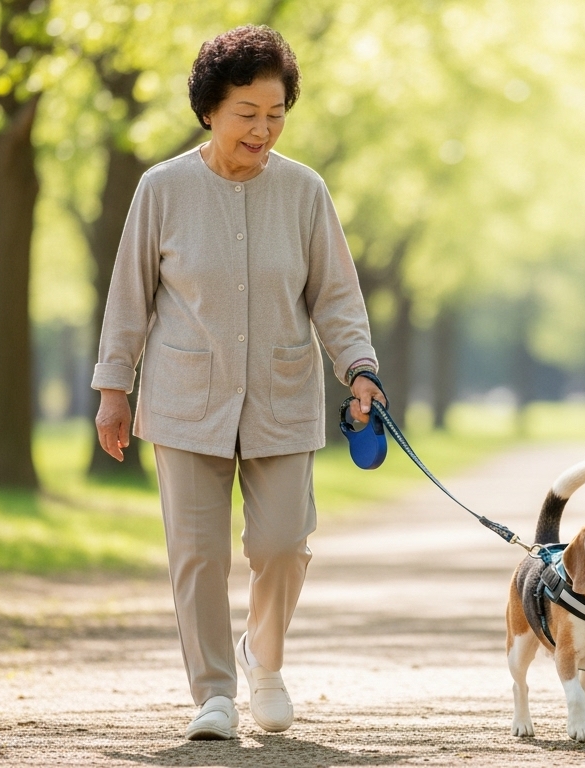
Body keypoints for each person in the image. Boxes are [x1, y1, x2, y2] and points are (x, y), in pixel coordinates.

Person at [91, 25, 383, 740]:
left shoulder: (304, 191)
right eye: (248, 113)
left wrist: (360, 368)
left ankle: (266, 657)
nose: (264, 128)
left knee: (283, 542)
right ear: (210, 110)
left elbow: (337, 299)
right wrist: (113, 388)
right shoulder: (162, 189)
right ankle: (214, 694)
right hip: (185, 397)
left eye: (276, 113)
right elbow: (129, 296)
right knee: (199, 554)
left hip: (283, 396)